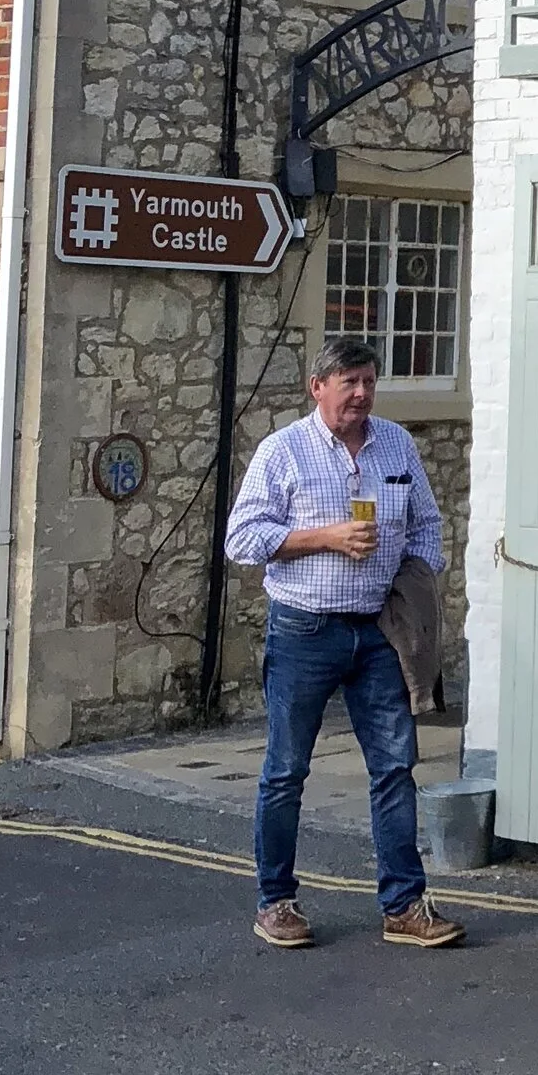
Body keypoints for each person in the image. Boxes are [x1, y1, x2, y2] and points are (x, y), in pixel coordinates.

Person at [225, 336, 464, 952]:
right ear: (318, 388)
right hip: (305, 627)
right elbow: (242, 538)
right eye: (349, 383)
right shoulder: (284, 451)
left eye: (368, 382)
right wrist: (325, 537)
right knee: (286, 770)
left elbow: (426, 524)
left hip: (378, 629)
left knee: (394, 767)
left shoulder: (396, 444)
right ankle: (276, 900)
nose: (361, 394)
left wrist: (413, 582)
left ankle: (404, 905)